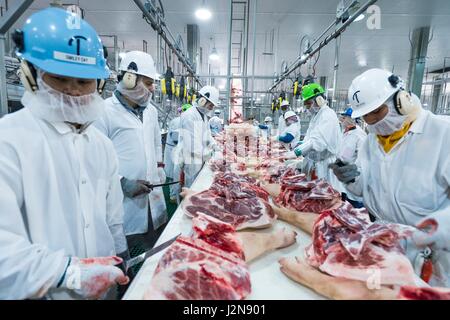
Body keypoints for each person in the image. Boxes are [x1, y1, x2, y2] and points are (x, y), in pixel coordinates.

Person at [0, 7, 129, 299]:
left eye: (83, 82)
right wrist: (69, 274)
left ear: (98, 85)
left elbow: (112, 215)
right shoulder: (8, 140)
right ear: (31, 76)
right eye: (59, 78)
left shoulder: (101, 145)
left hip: (104, 286)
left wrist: (120, 252)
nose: (72, 91)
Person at [330, 68, 450, 287]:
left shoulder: (443, 134)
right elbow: (365, 188)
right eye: (366, 116)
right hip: (383, 247)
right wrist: (351, 179)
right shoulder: (371, 142)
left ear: (401, 99)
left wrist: (431, 232)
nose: (372, 121)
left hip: (431, 260)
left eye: (377, 111)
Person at [94, 51, 167, 247]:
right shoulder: (103, 111)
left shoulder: (150, 111)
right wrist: (122, 183)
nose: (152, 89)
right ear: (129, 79)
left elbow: (156, 141)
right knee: (126, 251)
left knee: (156, 248)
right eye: (148, 82)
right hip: (123, 201)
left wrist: (159, 165)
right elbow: (94, 160)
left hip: (153, 193)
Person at [283, 83, 343, 192]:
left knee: (325, 197)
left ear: (319, 99)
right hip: (316, 164)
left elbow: (317, 141)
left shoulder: (327, 115)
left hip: (325, 166)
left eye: (309, 104)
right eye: (306, 104)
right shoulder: (316, 116)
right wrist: (301, 146)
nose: (307, 107)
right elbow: (309, 138)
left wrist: (296, 152)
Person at [178, 86, 219, 187]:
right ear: (202, 100)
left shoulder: (204, 116)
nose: (210, 109)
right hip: (191, 161)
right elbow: (192, 145)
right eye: (210, 106)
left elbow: (207, 135)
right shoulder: (189, 116)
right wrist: (210, 155)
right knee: (191, 187)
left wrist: (215, 146)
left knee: (199, 185)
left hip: (200, 158)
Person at [337, 107, 367, 208]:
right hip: (342, 178)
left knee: (356, 210)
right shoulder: (345, 132)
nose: (342, 119)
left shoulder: (359, 135)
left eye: (345, 117)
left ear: (352, 119)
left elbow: (363, 160)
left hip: (353, 179)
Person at [164, 107, 182, 203]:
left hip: (174, 148)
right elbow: (176, 138)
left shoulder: (177, 120)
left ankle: (174, 193)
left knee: (174, 173)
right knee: (173, 173)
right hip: (173, 149)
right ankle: (173, 195)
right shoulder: (178, 121)